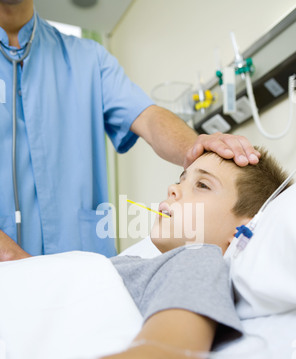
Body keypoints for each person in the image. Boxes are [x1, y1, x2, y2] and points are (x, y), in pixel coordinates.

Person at [0, 147, 289, 359]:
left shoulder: (197, 260)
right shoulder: (137, 264)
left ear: (243, 229)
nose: (173, 189)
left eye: (202, 185)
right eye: (181, 178)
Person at [0, 0, 261, 260]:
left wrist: (198, 150)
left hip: (87, 273)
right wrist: (13, 260)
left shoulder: (89, 58)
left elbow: (148, 117)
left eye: (201, 185)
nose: (173, 189)